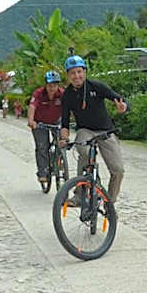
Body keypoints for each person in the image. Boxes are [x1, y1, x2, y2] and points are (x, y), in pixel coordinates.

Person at [58, 55, 128, 203]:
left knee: (118, 170)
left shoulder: (96, 86)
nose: (76, 76)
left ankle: (109, 201)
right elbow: (64, 122)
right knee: (82, 150)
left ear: (84, 72)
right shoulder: (67, 95)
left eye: (79, 72)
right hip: (85, 131)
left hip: (106, 131)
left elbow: (118, 98)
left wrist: (122, 106)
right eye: (72, 73)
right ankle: (80, 194)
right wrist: (64, 139)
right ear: (68, 75)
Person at [27, 70, 64, 187]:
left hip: (56, 121)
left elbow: (70, 107)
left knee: (62, 142)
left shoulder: (62, 93)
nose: (52, 88)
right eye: (49, 85)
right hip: (40, 123)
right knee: (42, 147)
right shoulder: (38, 93)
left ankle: (59, 161)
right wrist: (31, 120)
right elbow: (32, 106)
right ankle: (42, 172)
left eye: (54, 85)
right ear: (45, 85)